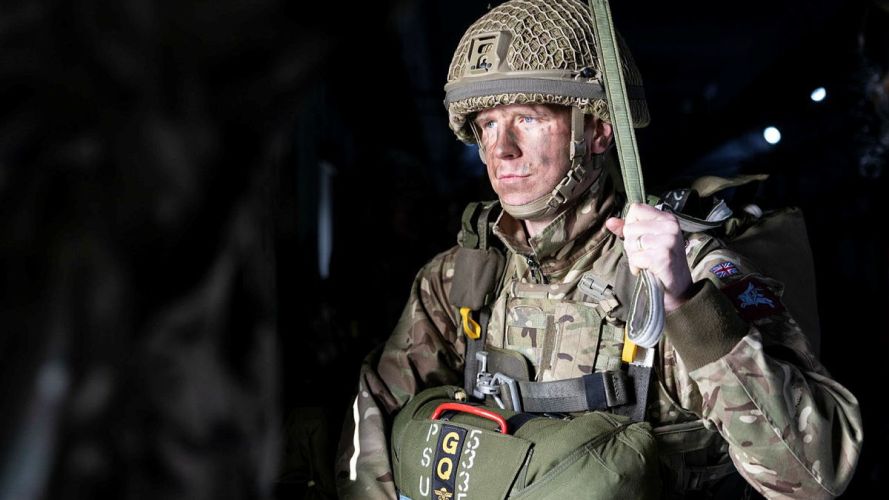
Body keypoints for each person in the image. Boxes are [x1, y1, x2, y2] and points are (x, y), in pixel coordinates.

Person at [334, 0, 863, 498]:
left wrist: (685, 304)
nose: (501, 150)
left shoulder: (684, 273)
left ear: (600, 130)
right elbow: (375, 419)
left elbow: (813, 476)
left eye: (528, 117)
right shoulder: (461, 279)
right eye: (487, 125)